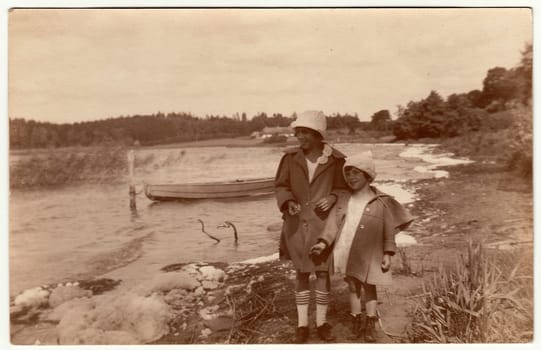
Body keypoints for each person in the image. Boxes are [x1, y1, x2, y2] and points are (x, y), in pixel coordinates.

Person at [310, 151, 413, 342]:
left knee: (369, 285)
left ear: (368, 175)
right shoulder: (343, 198)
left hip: (370, 252)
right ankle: (356, 319)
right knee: (352, 285)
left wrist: (388, 253)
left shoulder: (380, 200)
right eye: (347, 173)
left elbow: (388, 230)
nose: (351, 177)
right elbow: (333, 223)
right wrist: (323, 243)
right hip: (346, 248)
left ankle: (370, 322)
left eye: (356, 173)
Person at [275, 110, 348, 343]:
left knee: (323, 273)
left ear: (318, 135)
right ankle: (302, 324)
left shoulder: (336, 160)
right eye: (298, 132)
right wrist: (287, 202)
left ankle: (322, 322)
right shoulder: (289, 158)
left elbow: (345, 188)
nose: (299, 137)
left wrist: (334, 197)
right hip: (296, 225)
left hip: (324, 226)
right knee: (302, 272)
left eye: (305, 132)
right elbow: (280, 186)